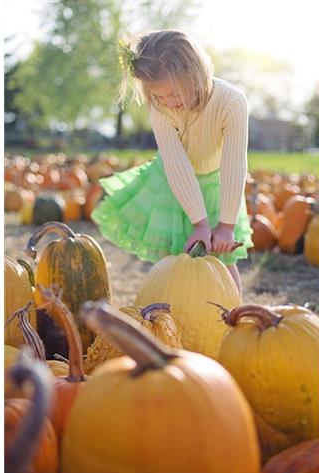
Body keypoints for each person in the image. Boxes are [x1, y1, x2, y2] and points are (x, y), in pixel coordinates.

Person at [91, 30, 253, 294]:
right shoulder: (161, 109)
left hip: (216, 183)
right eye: (159, 96)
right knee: (175, 254)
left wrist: (225, 227)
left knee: (222, 258)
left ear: (196, 75)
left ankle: (234, 316)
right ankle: (173, 313)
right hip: (173, 182)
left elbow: (234, 166)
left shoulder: (232, 103)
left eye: (174, 95)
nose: (168, 102)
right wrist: (199, 224)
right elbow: (177, 165)